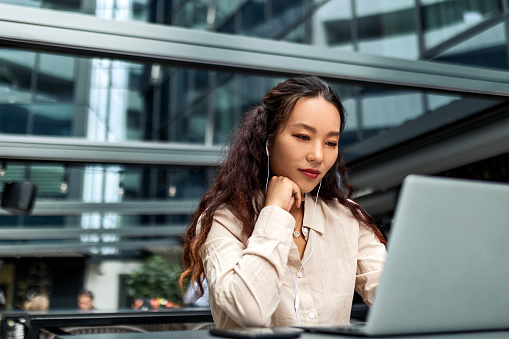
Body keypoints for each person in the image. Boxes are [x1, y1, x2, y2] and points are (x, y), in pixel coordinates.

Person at [179, 75, 387, 329]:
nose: (318, 156)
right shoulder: (225, 221)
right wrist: (274, 211)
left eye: (331, 142)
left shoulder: (348, 218)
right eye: (302, 136)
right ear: (268, 141)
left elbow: (394, 300)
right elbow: (249, 312)